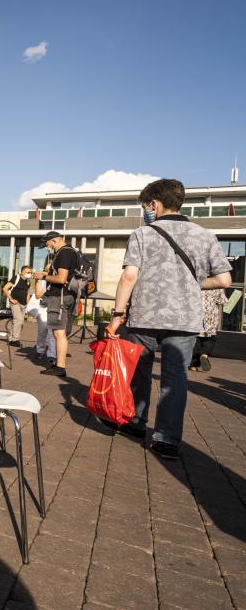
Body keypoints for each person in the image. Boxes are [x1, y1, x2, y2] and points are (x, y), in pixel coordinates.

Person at [106, 179, 232, 459]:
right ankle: (167, 440)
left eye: (145, 206)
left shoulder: (142, 234)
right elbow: (225, 279)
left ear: (154, 204)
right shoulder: (204, 235)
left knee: (140, 372)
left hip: (144, 316)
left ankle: (135, 423)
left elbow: (129, 276)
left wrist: (117, 315)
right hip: (185, 319)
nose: (145, 211)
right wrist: (193, 283)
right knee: (175, 379)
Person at [32, 232, 78, 377]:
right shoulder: (72, 252)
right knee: (59, 332)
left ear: (54, 241)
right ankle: (59, 365)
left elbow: (61, 279)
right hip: (66, 296)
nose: (48, 248)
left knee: (59, 333)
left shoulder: (64, 254)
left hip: (60, 297)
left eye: (47, 244)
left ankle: (60, 367)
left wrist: (44, 276)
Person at [190, 288, 226, 371]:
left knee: (196, 341)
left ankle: (193, 365)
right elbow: (222, 301)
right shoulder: (216, 285)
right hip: (210, 317)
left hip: (196, 315)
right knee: (210, 339)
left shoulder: (197, 282)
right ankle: (204, 354)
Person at [28, 276, 56, 364]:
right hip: (43, 308)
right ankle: (40, 350)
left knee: (52, 332)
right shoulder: (41, 281)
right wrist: (52, 293)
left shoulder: (58, 281)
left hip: (54, 307)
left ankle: (51, 354)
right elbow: (38, 294)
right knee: (43, 331)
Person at [2, 266, 32, 347]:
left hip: (23, 304)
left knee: (20, 322)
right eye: (27, 272)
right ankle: (15, 339)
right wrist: (11, 298)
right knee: (18, 320)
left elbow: (28, 293)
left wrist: (27, 304)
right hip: (15, 302)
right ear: (22, 272)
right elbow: (5, 288)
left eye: (30, 272)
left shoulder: (28, 282)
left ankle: (11, 339)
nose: (29, 274)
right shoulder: (16, 278)